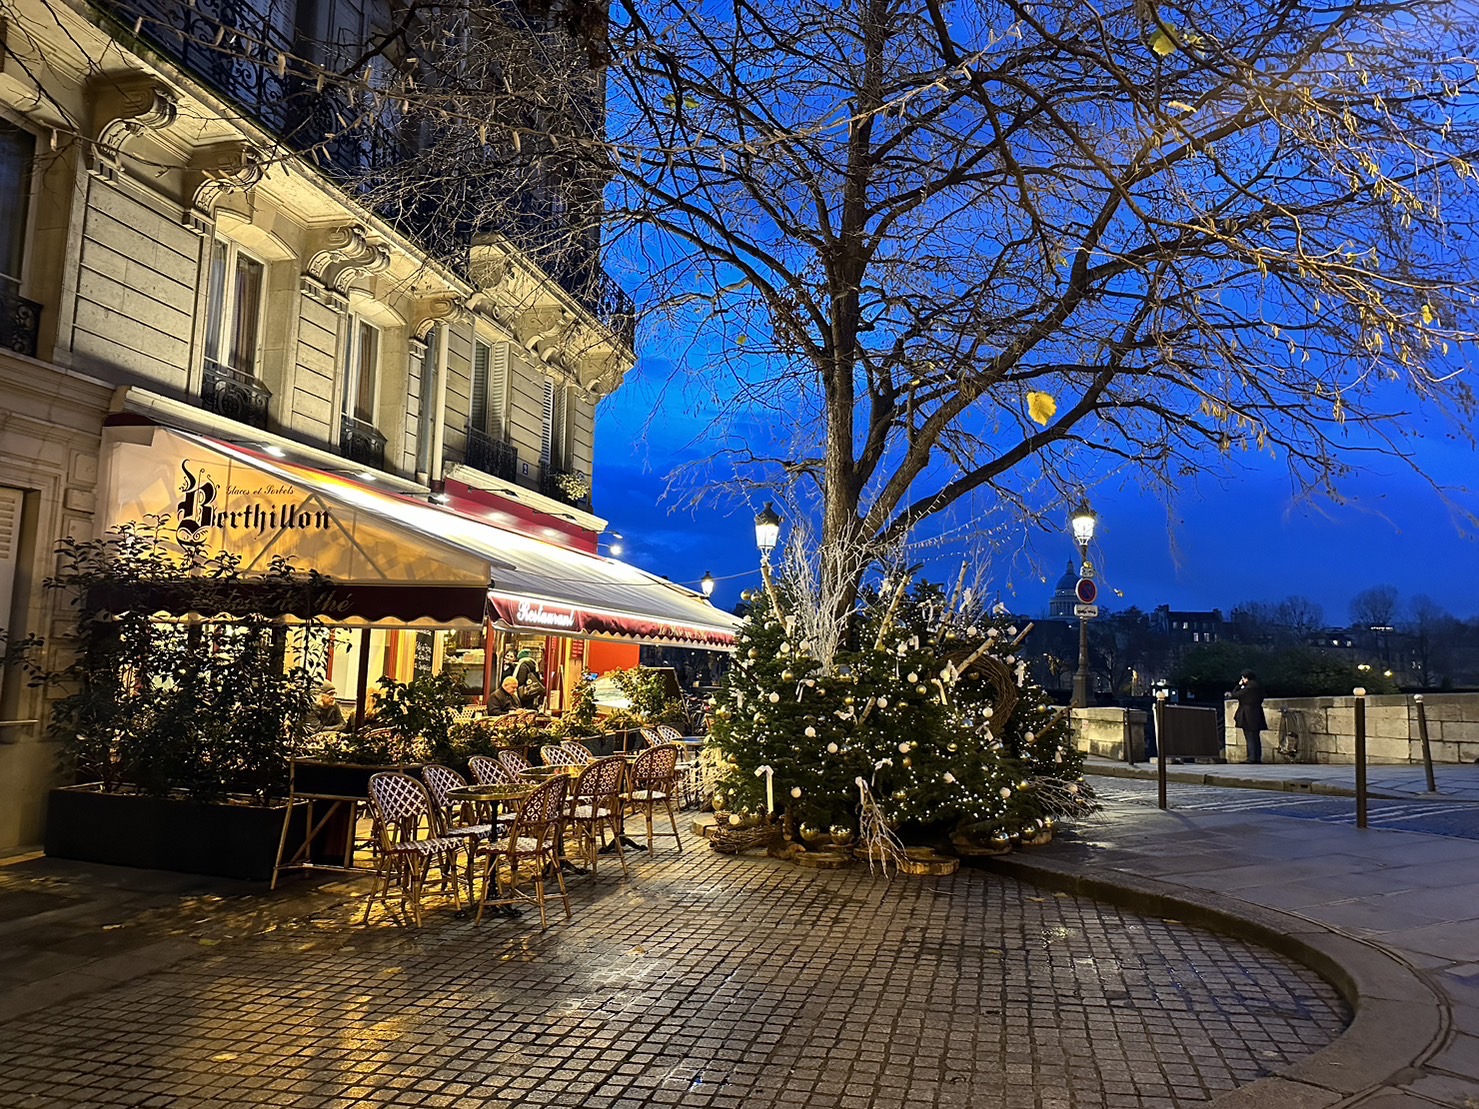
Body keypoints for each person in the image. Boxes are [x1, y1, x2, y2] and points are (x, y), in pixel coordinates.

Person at [1230, 669, 1267, 764]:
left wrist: (1238, 685)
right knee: (1255, 737)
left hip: (1248, 714)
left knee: (1250, 736)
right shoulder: (1258, 686)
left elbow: (1234, 695)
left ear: (1246, 678)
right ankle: (1257, 757)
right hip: (1257, 713)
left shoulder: (1248, 688)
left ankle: (1252, 757)